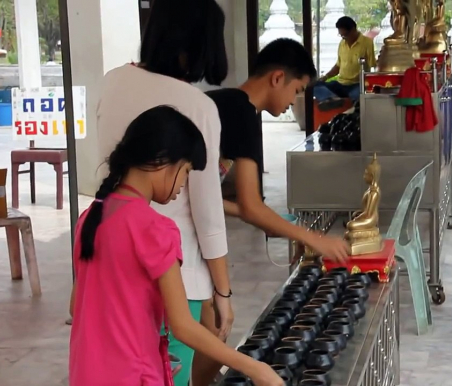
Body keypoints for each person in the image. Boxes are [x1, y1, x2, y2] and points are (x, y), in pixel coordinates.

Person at [68, 106, 283, 386]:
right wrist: (254, 368)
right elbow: (183, 326)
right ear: (162, 162)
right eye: (185, 171)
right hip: (133, 376)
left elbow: (77, 307)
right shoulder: (155, 229)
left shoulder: (90, 218)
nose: (183, 184)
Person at [194, 38, 351, 386]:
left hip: (169, 224)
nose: (295, 100)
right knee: (214, 326)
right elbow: (252, 206)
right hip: (176, 240)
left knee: (209, 329)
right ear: (277, 78)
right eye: (297, 90)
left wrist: (280, 226)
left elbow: (204, 196)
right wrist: (311, 237)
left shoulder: (221, 102)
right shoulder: (242, 113)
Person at [94, 1, 233, 384]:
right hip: (176, 273)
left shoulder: (112, 82)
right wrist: (223, 292)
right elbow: (207, 215)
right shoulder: (198, 106)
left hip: (113, 264)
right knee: (172, 372)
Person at [314, 16, 377, 104]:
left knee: (357, 97)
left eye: (346, 35)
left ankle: (337, 103)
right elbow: (338, 66)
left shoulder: (367, 43)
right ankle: (332, 99)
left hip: (357, 84)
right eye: (341, 35)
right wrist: (325, 77)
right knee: (313, 85)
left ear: (353, 29)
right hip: (340, 84)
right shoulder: (342, 44)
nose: (344, 38)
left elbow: (372, 66)